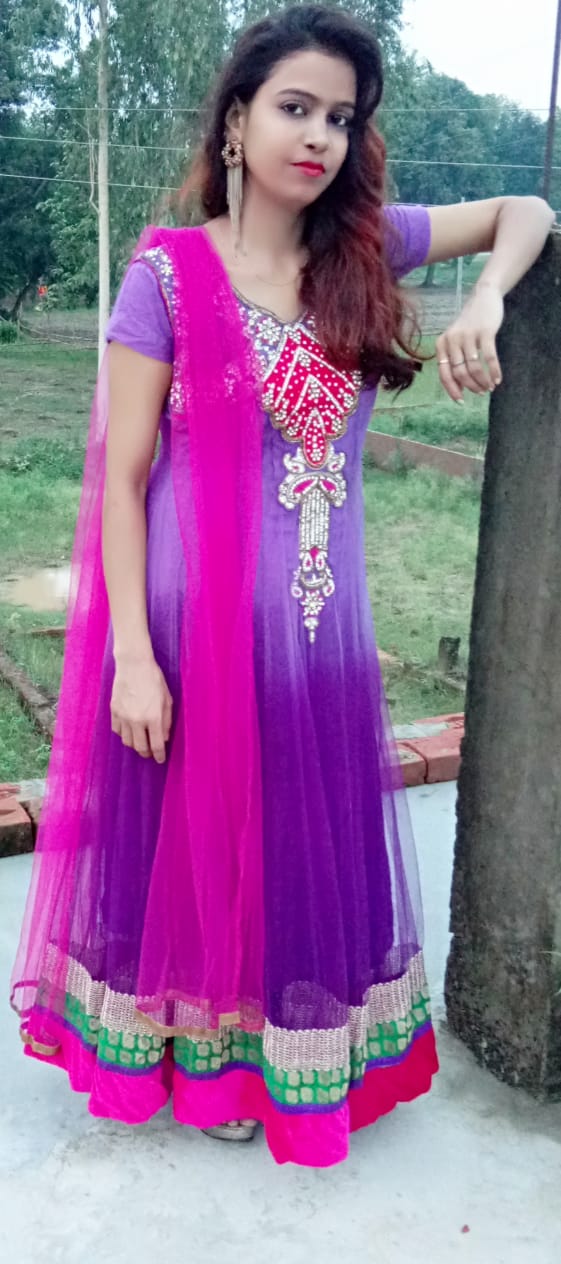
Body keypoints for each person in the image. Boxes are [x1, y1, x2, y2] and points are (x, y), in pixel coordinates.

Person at [10, 5, 553, 1168]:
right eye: (296, 108)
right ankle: (200, 1059)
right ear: (237, 119)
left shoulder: (367, 251)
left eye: (342, 118)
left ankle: (292, 1055)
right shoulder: (168, 274)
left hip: (319, 632)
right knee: (200, 856)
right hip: (187, 634)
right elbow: (124, 479)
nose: (319, 136)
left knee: (296, 853)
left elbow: (528, 209)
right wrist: (133, 658)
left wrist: (487, 297)